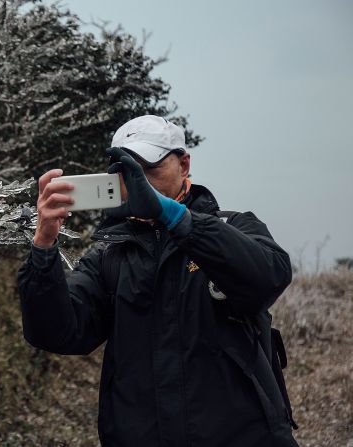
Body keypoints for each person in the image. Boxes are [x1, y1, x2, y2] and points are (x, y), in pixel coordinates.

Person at [17, 115, 298, 447]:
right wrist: (44, 247)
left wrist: (175, 217)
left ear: (184, 164)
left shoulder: (234, 227)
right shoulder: (109, 255)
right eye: (128, 172)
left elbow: (268, 278)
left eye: (149, 169)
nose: (140, 182)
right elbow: (57, 333)